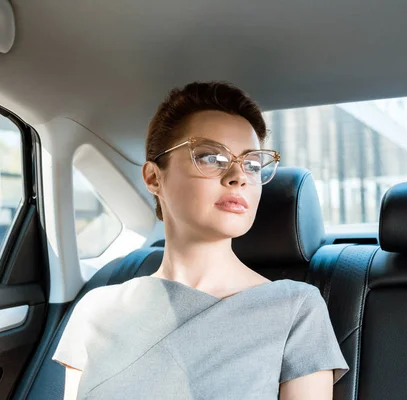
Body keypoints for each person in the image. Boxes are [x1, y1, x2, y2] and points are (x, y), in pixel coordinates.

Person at [52, 81, 349, 399]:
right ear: (154, 177)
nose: (238, 176)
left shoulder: (296, 308)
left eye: (251, 164)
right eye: (211, 158)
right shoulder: (95, 310)